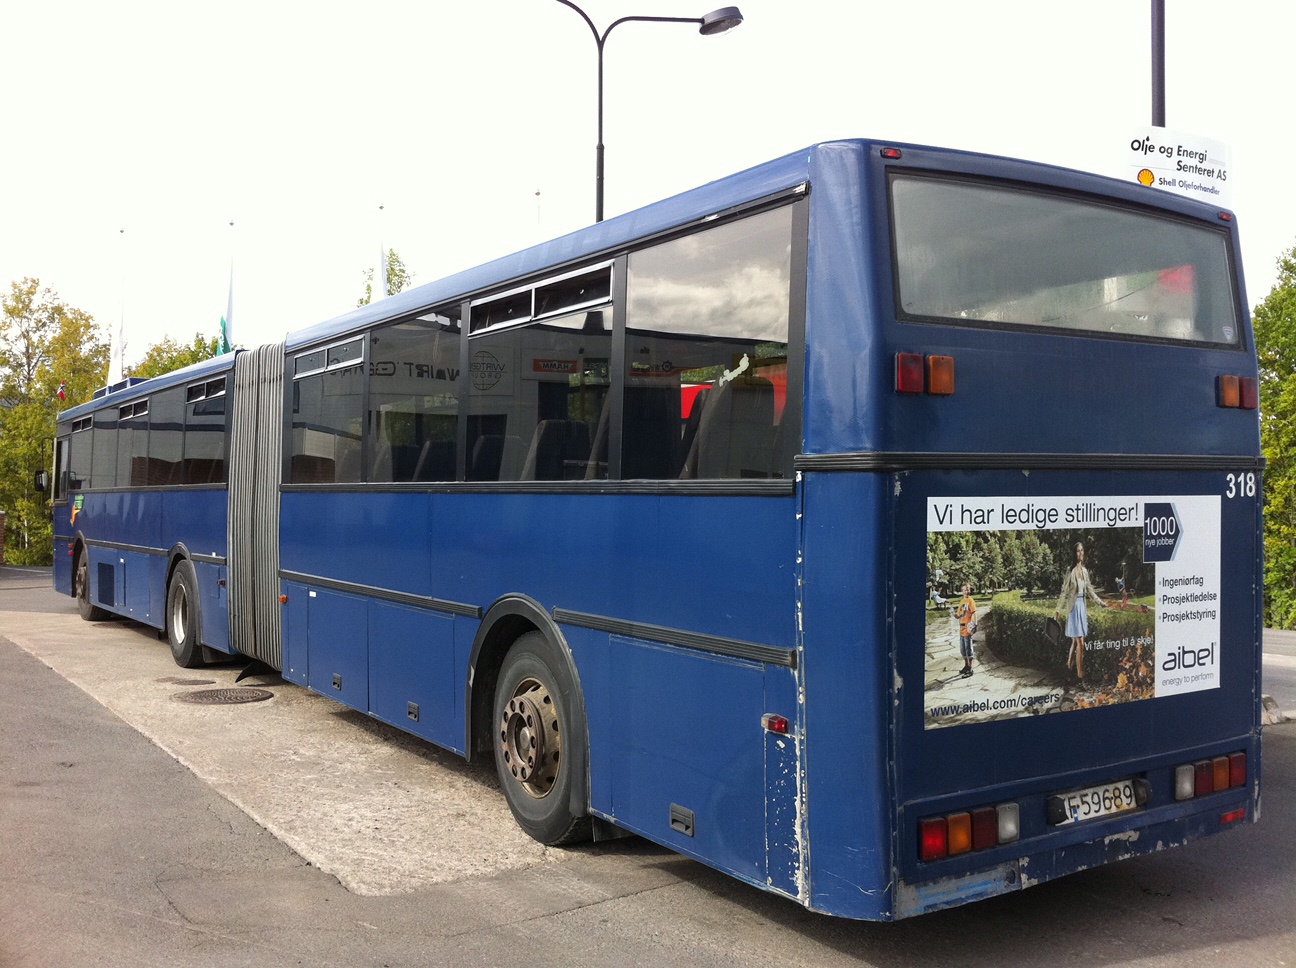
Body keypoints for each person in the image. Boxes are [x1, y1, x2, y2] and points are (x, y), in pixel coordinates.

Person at [1054, 542, 1107, 681]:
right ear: (1074, 553)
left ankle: (1068, 668)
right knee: (1080, 643)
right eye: (1078, 551)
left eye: (1082, 550)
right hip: (1073, 609)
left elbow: (1090, 590)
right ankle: (1080, 676)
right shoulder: (1070, 571)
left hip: (1082, 608)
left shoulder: (1084, 571)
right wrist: (1058, 610)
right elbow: (1064, 592)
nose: (1081, 553)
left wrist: (1100, 602)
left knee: (1075, 642)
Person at [954, 583, 977, 678]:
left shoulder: (970, 601)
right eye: (965, 590)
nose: (967, 591)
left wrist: (975, 624)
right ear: (962, 591)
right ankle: (966, 666)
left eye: (968, 589)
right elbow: (959, 615)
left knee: (968, 649)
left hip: (968, 629)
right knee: (963, 650)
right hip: (961, 629)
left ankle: (970, 669)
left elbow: (974, 613)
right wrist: (956, 616)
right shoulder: (962, 601)